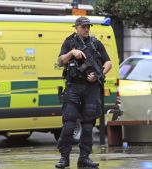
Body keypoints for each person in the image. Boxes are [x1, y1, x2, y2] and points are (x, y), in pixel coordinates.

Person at [55, 16, 112, 169]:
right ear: (76, 27)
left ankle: (84, 158)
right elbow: (60, 61)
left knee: (88, 125)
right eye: (83, 27)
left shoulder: (95, 43)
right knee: (69, 124)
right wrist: (72, 53)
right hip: (73, 87)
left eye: (88, 27)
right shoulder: (69, 42)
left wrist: (99, 73)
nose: (86, 29)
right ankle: (64, 158)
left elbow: (108, 62)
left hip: (91, 89)